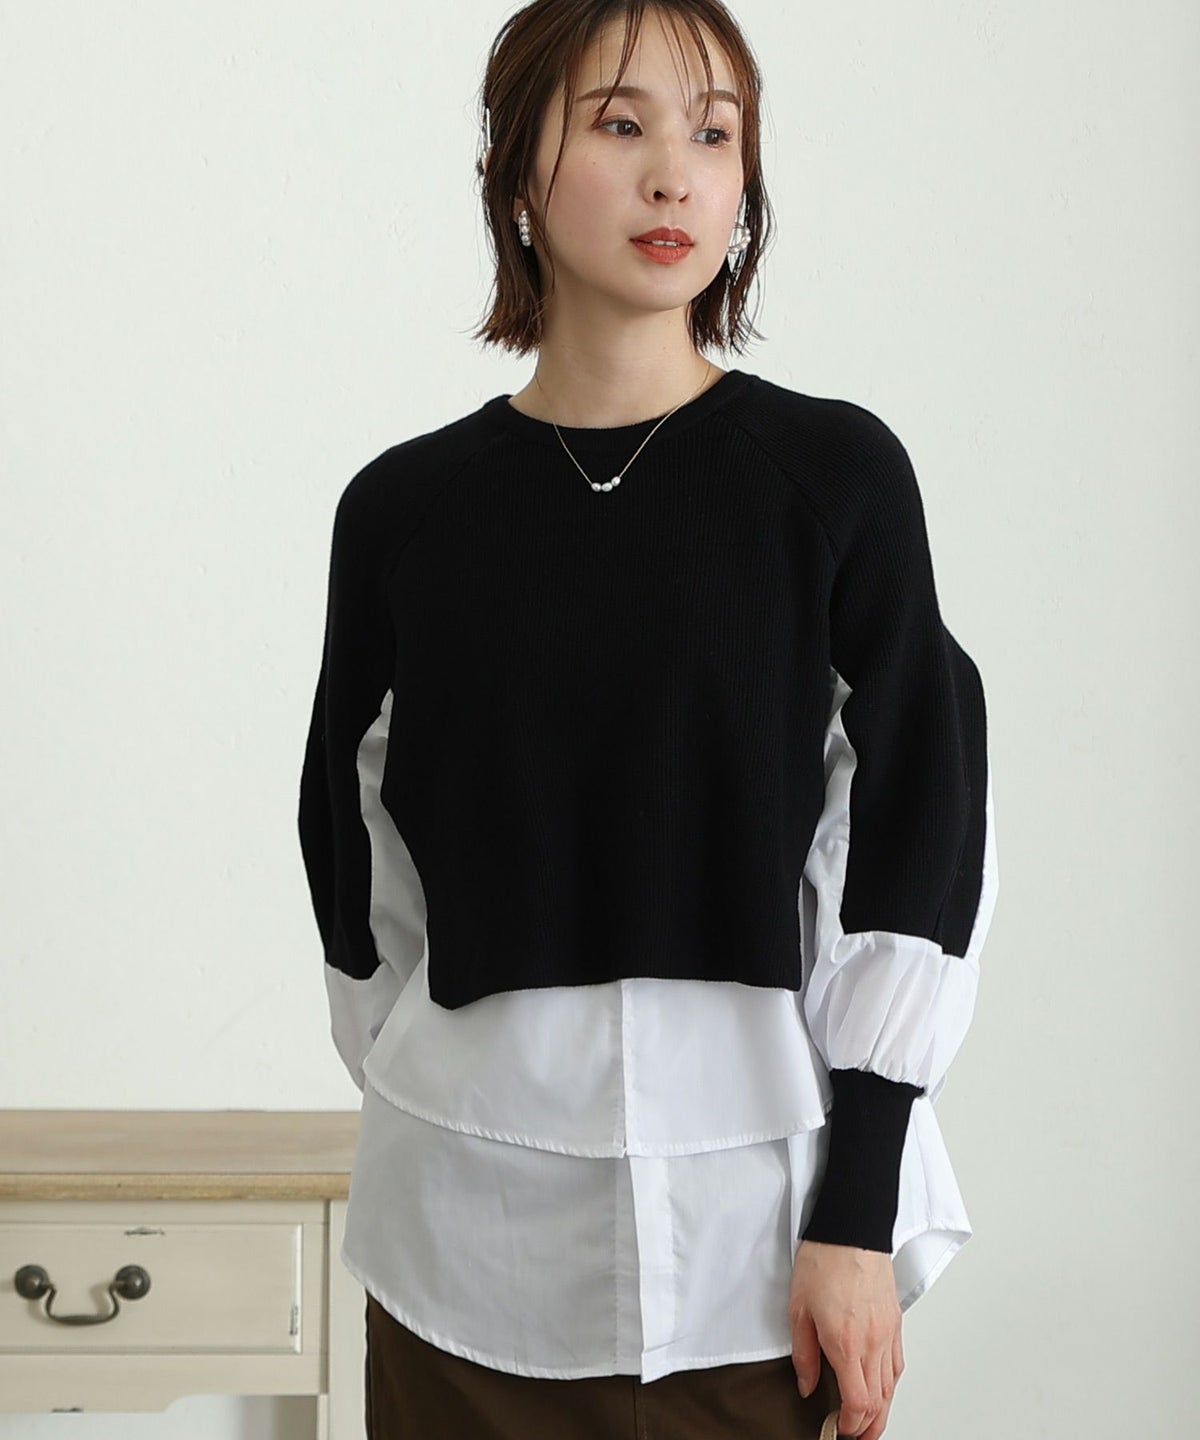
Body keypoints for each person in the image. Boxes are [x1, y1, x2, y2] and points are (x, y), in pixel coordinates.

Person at [296, 2, 999, 1437]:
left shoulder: (835, 478)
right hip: (464, 1254)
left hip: (757, 1254)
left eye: (715, 133)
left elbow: (916, 823)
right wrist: (460, 1063)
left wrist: (859, 1210)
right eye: (620, 124)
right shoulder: (404, 512)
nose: (675, 172)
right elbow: (353, 850)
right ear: (516, 170)